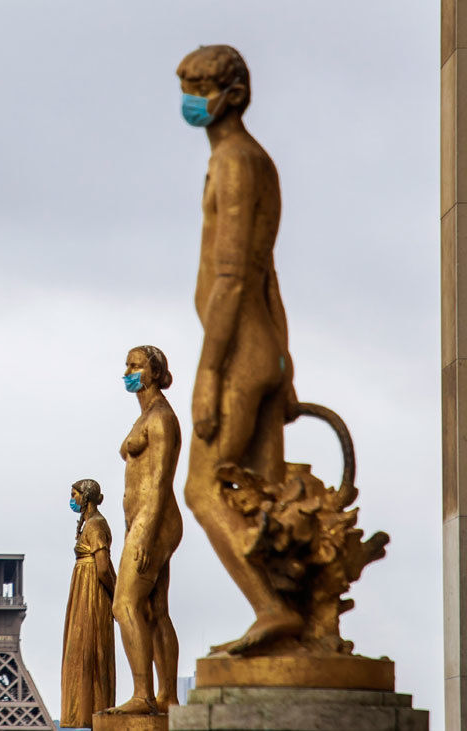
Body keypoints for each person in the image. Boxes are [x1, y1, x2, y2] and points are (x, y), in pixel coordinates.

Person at [177, 44, 302, 655]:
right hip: (262, 350)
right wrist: (285, 362)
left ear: (230, 94)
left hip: (236, 354)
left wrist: (207, 372)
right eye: (186, 85)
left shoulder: (233, 162)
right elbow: (267, 271)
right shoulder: (256, 160)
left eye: (198, 85)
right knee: (263, 500)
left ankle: (272, 610)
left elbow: (232, 276)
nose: (188, 98)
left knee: (201, 490)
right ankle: (294, 628)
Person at [109, 346, 182, 715]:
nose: (128, 370)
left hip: (152, 521)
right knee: (155, 609)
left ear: (154, 372)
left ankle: (142, 695)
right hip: (144, 520)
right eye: (127, 364)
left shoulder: (161, 419)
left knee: (124, 604)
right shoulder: (147, 416)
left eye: (136, 365)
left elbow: (160, 481)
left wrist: (147, 534)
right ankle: (167, 697)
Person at [60, 478, 116, 729]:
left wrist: (117, 596)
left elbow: (103, 568)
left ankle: (93, 709)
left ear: (86, 496)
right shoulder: (89, 525)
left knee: (89, 648)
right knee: (86, 649)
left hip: (91, 589)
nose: (72, 499)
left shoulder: (95, 525)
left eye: (74, 494)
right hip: (85, 587)